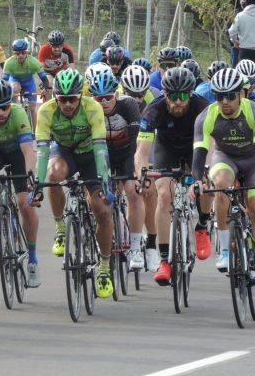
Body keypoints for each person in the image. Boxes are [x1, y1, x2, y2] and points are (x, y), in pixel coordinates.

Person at [191, 68, 255, 296]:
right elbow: (199, 153)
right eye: (219, 96)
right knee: (219, 184)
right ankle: (226, 250)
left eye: (230, 95)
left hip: (253, 161)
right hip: (225, 158)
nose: (225, 101)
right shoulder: (206, 115)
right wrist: (197, 180)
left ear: (241, 94)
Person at [32, 68, 115, 298]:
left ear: (80, 96)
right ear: (56, 98)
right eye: (63, 100)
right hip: (64, 153)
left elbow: (100, 150)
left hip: (90, 155)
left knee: (102, 209)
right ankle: (61, 229)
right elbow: (41, 153)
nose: (68, 104)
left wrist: (105, 184)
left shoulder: (92, 108)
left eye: (72, 99)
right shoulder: (47, 111)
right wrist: (38, 186)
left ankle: (105, 269)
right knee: (53, 174)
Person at [134, 68, 212, 286]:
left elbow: (212, 143)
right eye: (173, 96)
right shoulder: (154, 109)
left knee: (206, 184)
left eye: (183, 96)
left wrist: (204, 169)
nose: (178, 102)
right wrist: (142, 174)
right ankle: (165, 261)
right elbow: (141, 151)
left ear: (191, 93)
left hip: (195, 148)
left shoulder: (202, 107)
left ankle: (202, 226)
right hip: (166, 149)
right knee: (164, 195)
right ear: (165, 94)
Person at [0, 78, 41, 287]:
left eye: (5, 107)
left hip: (17, 153)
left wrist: (31, 180)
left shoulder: (19, 113)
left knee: (25, 205)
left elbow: (28, 150)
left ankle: (32, 259)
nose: (2, 112)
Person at [88, 70, 144, 269]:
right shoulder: (89, 110)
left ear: (116, 94)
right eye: (98, 98)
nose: (103, 102)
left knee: (133, 192)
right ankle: (103, 235)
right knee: (97, 197)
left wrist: (133, 171)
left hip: (127, 153)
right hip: (103, 154)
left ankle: (136, 247)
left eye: (108, 97)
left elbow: (137, 141)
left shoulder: (128, 104)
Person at [119, 64, 160, 271]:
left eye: (141, 94)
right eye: (131, 94)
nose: (136, 99)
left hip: (146, 143)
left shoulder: (153, 101)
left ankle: (152, 243)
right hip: (121, 146)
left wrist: (147, 167)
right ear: (122, 89)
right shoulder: (114, 98)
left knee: (149, 190)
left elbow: (156, 141)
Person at [1, 38, 49, 130]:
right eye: (17, 53)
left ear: (27, 52)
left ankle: (35, 132)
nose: (21, 55)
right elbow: (4, 81)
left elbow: (44, 79)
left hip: (28, 81)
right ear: (14, 53)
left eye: (23, 53)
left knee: (32, 107)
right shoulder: (9, 62)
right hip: (14, 79)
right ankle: (13, 107)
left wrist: (44, 88)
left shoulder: (34, 62)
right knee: (15, 88)